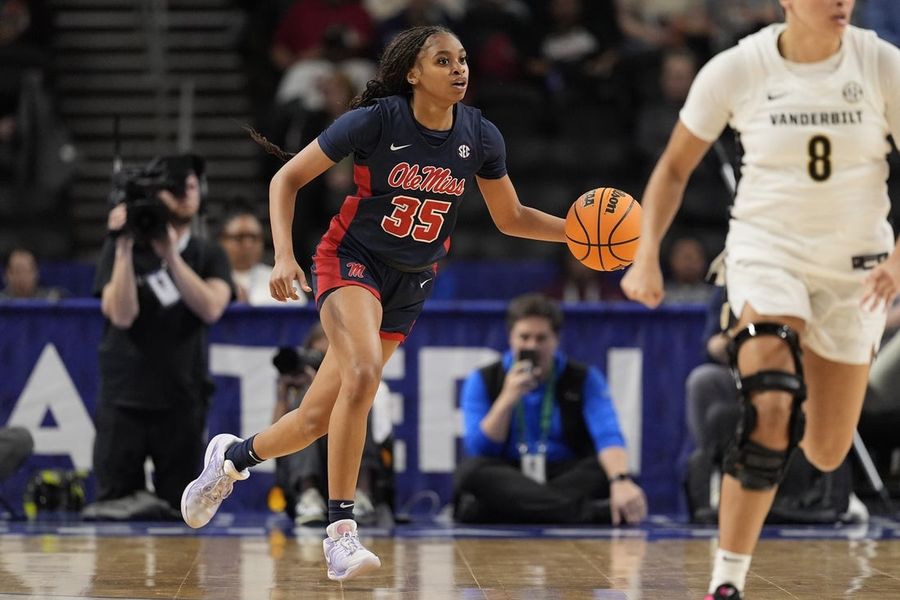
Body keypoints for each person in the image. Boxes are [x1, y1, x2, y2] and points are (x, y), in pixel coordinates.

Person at [180, 24, 568, 582]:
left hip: (411, 283)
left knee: (315, 418)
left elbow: (512, 218)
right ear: (413, 72)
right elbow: (286, 180)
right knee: (363, 377)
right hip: (350, 259)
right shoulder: (377, 121)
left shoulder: (480, 136)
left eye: (462, 59)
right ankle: (341, 533)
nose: (459, 68)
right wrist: (285, 256)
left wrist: (577, 235)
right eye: (443, 60)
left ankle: (232, 459)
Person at [620, 1, 900, 598]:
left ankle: (791, 407)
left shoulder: (881, 65)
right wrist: (646, 255)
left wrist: (898, 260)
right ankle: (727, 582)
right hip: (766, 253)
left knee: (826, 450)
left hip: (856, 272)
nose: (841, 2)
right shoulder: (736, 69)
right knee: (769, 405)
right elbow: (672, 169)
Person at [92, 154, 233, 515]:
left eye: (191, 186)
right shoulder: (122, 248)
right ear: (157, 194)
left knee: (183, 508)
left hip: (181, 396)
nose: (185, 195)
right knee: (115, 504)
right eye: (175, 188)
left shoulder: (207, 253)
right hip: (125, 395)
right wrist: (123, 246)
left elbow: (211, 307)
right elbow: (121, 315)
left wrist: (170, 254)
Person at [454, 293, 647, 525]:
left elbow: (608, 435)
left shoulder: (583, 378)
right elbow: (479, 448)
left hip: (563, 471)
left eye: (541, 338)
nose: (532, 346)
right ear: (510, 339)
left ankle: (507, 511)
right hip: (510, 472)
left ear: (555, 340)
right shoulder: (483, 379)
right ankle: (587, 513)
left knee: (604, 471)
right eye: (524, 337)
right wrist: (507, 398)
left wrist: (620, 480)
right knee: (471, 471)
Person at [272, 322, 387, 527]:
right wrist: (285, 396)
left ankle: (360, 495)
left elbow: (381, 433)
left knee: (356, 402)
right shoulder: (298, 386)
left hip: (353, 472)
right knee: (309, 402)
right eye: (318, 359)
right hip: (307, 475)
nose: (324, 367)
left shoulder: (368, 379)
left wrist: (333, 387)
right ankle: (309, 495)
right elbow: (275, 441)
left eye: (329, 360)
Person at [219, 204, 295, 306]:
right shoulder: (213, 281)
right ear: (222, 241)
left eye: (254, 237)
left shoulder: (282, 280)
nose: (248, 244)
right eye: (239, 237)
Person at [0, 248, 68, 301]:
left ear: (36, 273)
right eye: (17, 271)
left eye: (26, 271)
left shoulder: (49, 300)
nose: (21, 277)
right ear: (7, 274)